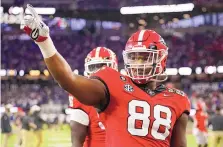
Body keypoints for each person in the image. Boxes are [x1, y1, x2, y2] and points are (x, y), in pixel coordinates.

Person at [21, 4, 190, 147]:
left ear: (161, 59)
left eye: (144, 58)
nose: (138, 64)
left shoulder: (178, 100)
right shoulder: (113, 82)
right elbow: (69, 80)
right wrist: (44, 42)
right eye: (133, 58)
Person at [69, 47, 118, 147]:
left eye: (103, 67)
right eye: (94, 67)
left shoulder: (125, 91)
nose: (99, 72)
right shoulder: (83, 95)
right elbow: (77, 140)